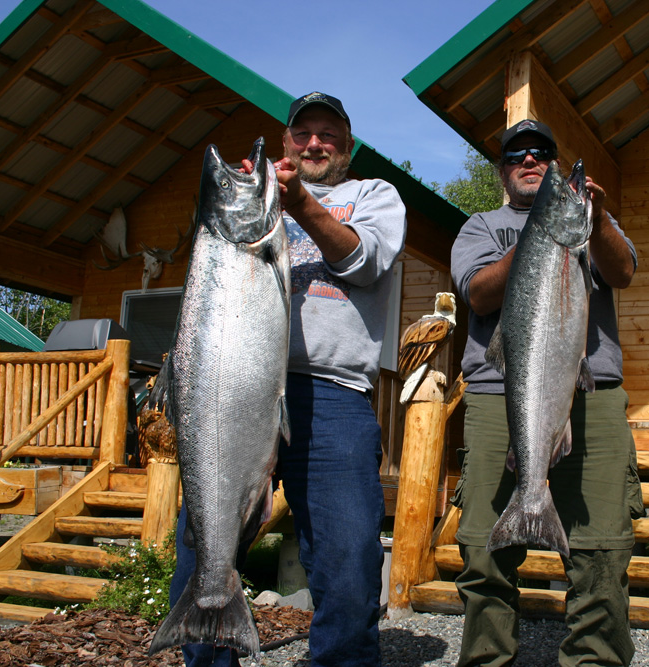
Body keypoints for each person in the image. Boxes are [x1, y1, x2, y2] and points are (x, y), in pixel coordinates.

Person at [169, 91, 407, 666]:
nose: (315, 143)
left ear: (347, 146)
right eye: (303, 133)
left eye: (328, 134)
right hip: (231, 396)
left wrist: (297, 200)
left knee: (350, 562)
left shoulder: (373, 196)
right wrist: (266, 195)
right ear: (286, 142)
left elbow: (364, 261)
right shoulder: (252, 208)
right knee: (204, 553)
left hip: (332, 396)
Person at [449, 119, 645, 667]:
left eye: (542, 154)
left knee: (603, 551)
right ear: (503, 172)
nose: (530, 161)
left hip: (595, 395)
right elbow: (478, 295)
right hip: (499, 395)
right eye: (517, 156)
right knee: (484, 555)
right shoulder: (481, 227)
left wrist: (593, 216)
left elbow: (624, 271)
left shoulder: (592, 227)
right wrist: (541, 233)